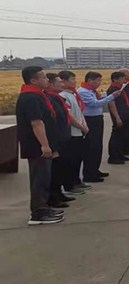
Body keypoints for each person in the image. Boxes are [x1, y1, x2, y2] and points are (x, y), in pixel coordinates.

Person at [16, 66, 63, 225]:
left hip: (42, 145)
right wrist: (45, 145)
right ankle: (38, 214)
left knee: (44, 178)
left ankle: (43, 207)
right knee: (39, 180)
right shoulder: (30, 97)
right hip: (37, 146)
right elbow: (36, 123)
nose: (46, 80)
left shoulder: (37, 95)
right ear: (33, 80)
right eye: (43, 77)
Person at [78, 72, 121, 182]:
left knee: (97, 147)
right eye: (97, 81)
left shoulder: (91, 91)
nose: (99, 83)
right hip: (89, 120)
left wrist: (105, 96)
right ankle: (89, 174)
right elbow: (95, 104)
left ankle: (95, 170)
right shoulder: (83, 91)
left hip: (96, 119)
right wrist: (111, 96)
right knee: (91, 147)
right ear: (90, 80)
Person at [43, 73, 74, 208]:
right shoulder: (48, 98)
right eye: (59, 82)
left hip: (63, 138)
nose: (62, 84)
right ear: (50, 84)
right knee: (55, 170)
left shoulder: (57, 98)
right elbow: (50, 123)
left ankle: (59, 193)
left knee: (62, 168)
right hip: (56, 140)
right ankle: (53, 197)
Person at [58, 71, 91, 195]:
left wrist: (84, 125)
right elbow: (69, 116)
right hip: (72, 133)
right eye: (72, 79)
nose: (74, 81)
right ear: (64, 81)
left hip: (79, 131)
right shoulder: (63, 96)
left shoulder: (73, 94)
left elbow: (79, 112)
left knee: (78, 159)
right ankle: (70, 185)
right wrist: (81, 127)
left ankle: (77, 181)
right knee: (71, 160)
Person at [106, 71, 129, 165]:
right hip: (118, 116)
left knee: (121, 136)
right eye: (121, 79)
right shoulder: (112, 89)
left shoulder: (119, 88)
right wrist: (117, 117)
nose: (123, 80)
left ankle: (120, 154)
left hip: (124, 115)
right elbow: (112, 104)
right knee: (116, 137)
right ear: (115, 79)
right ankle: (113, 157)